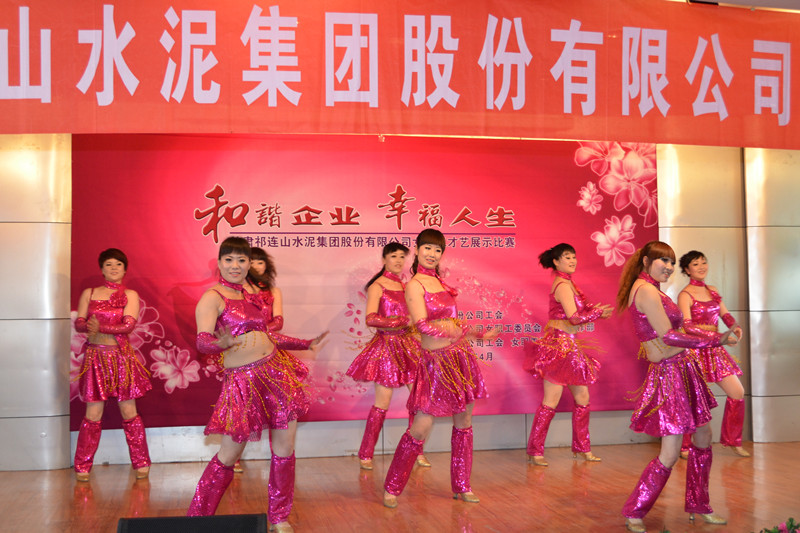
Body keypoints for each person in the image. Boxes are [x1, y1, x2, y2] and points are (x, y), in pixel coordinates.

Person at [187, 237, 327, 533]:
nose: (235, 266)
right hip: (243, 383)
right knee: (229, 455)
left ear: (249, 263)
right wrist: (219, 343)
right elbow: (202, 340)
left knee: (285, 448)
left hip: (276, 375)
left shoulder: (251, 295)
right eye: (229, 260)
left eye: (241, 260)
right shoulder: (212, 297)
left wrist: (305, 343)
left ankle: (279, 517)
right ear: (220, 263)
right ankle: (197, 520)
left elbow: (268, 336)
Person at [617, 241, 736, 532]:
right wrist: (715, 340)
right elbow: (670, 336)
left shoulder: (653, 289)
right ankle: (634, 511)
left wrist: (719, 333)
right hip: (670, 374)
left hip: (684, 368)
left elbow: (682, 328)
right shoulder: (645, 291)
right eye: (663, 261)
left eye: (671, 262)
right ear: (646, 261)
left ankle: (699, 504)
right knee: (670, 452)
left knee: (704, 435)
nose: (669, 267)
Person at [382, 229, 499, 508]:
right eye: (428, 248)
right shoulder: (414, 285)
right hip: (435, 363)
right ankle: (392, 487)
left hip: (460, 358)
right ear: (417, 250)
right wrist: (453, 331)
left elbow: (455, 323)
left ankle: (462, 485)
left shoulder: (441, 283)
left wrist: (478, 334)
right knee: (421, 427)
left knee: (464, 422)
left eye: (437, 250)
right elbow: (421, 324)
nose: (432, 254)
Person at [523, 243, 612, 465]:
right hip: (559, 347)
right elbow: (574, 318)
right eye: (567, 257)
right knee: (551, 400)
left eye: (574, 256)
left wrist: (596, 312)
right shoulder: (562, 285)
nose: (572, 261)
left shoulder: (569, 283)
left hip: (570, 345)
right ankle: (535, 451)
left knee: (583, 398)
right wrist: (597, 313)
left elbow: (579, 313)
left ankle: (582, 448)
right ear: (556, 261)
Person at [346, 243, 429, 471]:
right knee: (381, 404)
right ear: (384, 259)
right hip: (386, 348)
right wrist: (401, 321)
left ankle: (416, 450)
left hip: (409, 346)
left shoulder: (406, 285)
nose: (399, 261)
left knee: (419, 402)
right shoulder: (377, 286)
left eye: (402, 256)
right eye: (394, 256)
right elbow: (371, 319)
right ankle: (366, 453)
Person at [73, 248, 152, 481]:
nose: (114, 268)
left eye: (118, 264)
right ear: (102, 269)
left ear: (125, 269)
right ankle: (82, 465)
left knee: (129, 411)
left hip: (121, 358)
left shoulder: (131, 294)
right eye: (109, 264)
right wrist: (86, 326)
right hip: (95, 357)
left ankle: (141, 462)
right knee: (93, 413)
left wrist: (100, 327)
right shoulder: (89, 293)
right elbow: (79, 322)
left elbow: (128, 326)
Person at [677, 251, 748, 457]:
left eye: (704, 262)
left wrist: (734, 326)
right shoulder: (685, 294)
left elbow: (724, 314)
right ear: (687, 270)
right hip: (695, 350)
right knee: (692, 398)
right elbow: (687, 326)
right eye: (695, 264)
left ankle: (733, 440)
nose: (701, 267)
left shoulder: (713, 290)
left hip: (715, 350)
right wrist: (716, 336)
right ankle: (685, 445)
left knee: (737, 392)